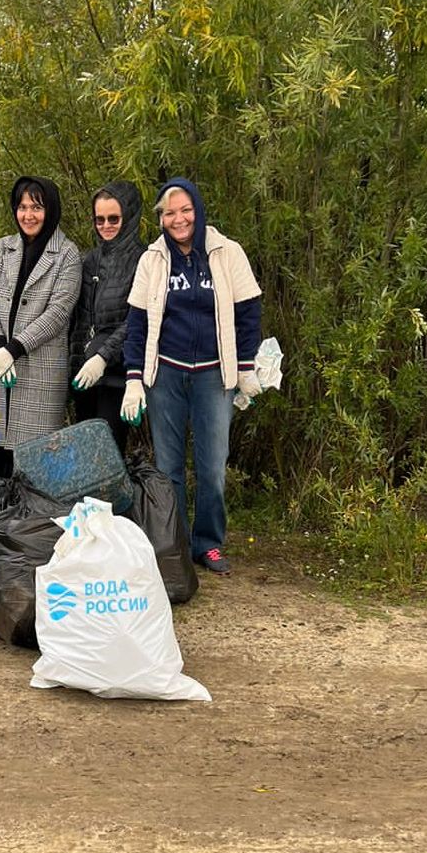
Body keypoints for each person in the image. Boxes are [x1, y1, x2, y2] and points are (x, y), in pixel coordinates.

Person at [121, 179, 261, 576]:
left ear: (197, 211)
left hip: (215, 376)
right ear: (162, 219)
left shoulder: (225, 252)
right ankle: (175, 544)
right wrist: (134, 378)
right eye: (169, 212)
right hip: (165, 373)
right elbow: (136, 322)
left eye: (185, 210)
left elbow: (249, 311)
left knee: (213, 465)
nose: (178, 219)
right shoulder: (153, 259)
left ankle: (209, 543)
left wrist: (246, 367)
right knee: (168, 467)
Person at [0, 176, 81, 478]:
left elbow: (59, 312)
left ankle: (29, 525)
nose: (28, 215)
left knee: (33, 460)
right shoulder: (2, 248)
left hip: (40, 369)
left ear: (51, 209)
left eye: (36, 207)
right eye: (22, 207)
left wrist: (15, 348)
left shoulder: (67, 254)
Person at [69, 180, 145, 451]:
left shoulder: (143, 260)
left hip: (118, 374)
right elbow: (81, 320)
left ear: (129, 215)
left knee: (109, 454)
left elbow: (137, 319)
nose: (106, 225)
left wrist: (103, 356)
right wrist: (76, 364)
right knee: (86, 457)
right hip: (85, 374)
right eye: (99, 219)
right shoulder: (89, 260)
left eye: (114, 218)